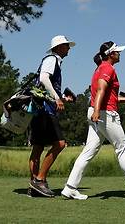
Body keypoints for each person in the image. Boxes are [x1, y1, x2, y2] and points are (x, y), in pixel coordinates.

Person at [61, 41, 125, 200]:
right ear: (110, 54)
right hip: (104, 114)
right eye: (117, 51)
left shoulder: (99, 68)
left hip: (97, 112)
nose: (119, 53)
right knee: (122, 149)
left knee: (88, 152)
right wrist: (98, 110)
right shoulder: (108, 68)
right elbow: (101, 89)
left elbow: (109, 96)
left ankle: (70, 188)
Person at [28, 35, 76, 197]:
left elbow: (47, 84)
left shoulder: (54, 61)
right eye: (66, 46)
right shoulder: (52, 59)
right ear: (58, 47)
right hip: (45, 110)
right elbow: (43, 78)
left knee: (38, 147)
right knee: (60, 144)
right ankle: (39, 181)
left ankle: (33, 185)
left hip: (40, 109)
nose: (68, 48)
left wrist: (62, 98)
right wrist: (57, 98)